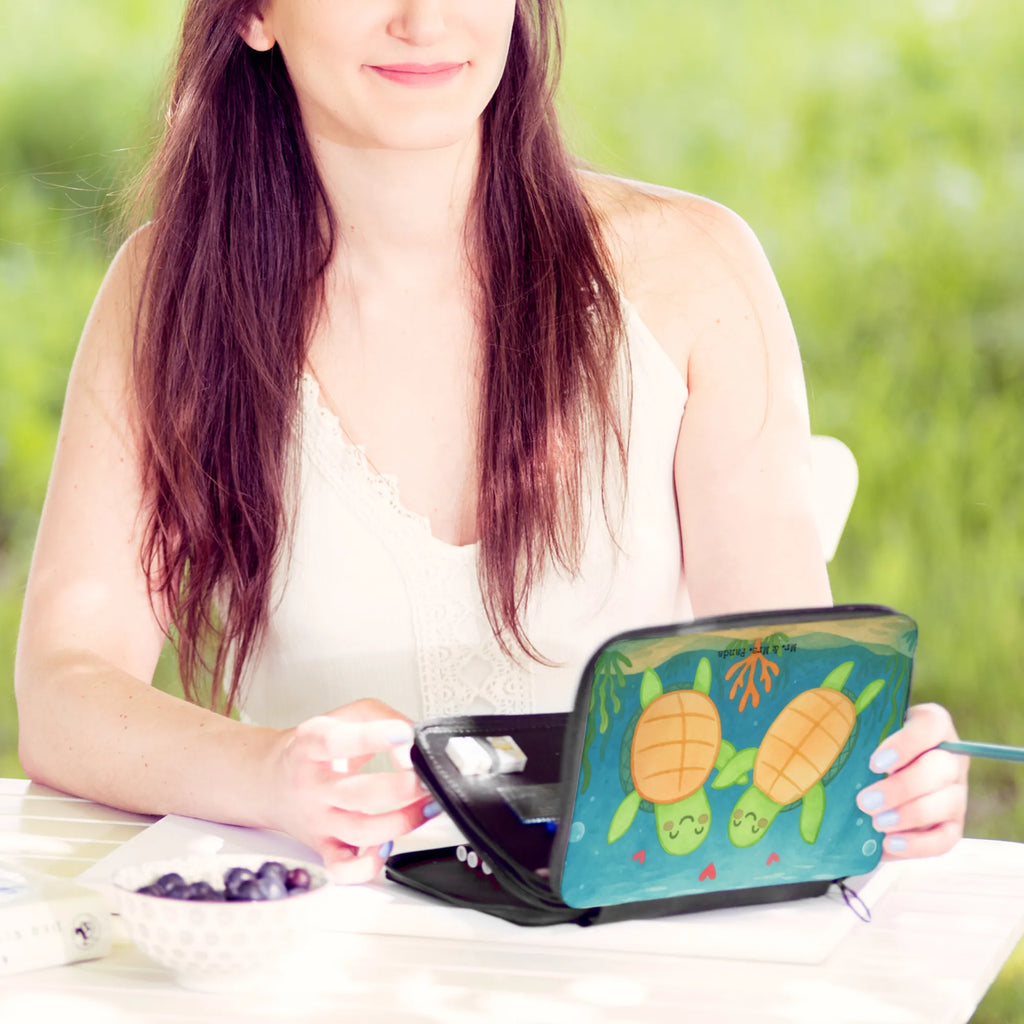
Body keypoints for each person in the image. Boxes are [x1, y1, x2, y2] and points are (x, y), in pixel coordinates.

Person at [14, 0, 968, 884]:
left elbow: (790, 688)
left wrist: (880, 776)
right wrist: (268, 771)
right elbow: (63, 696)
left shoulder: (692, 276)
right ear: (255, 13)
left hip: (636, 942)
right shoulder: (174, 295)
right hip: (318, 944)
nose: (424, 20)